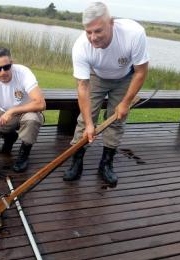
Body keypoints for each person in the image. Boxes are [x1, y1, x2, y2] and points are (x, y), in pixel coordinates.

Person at [63, 2, 149, 187]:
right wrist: (88, 124)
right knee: (84, 120)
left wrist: (125, 103)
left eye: (98, 31)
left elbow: (141, 71)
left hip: (125, 77)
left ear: (111, 22)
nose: (93, 38)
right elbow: (82, 86)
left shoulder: (134, 33)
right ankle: (77, 161)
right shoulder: (81, 46)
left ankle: (106, 164)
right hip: (97, 76)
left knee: (116, 119)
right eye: (88, 32)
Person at [0, 47, 46, 172]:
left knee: (32, 119)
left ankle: (24, 155)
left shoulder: (23, 72)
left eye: (6, 67)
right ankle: (10, 137)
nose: (2, 72)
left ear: (11, 63)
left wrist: (11, 111)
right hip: (7, 116)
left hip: (29, 111)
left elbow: (41, 104)